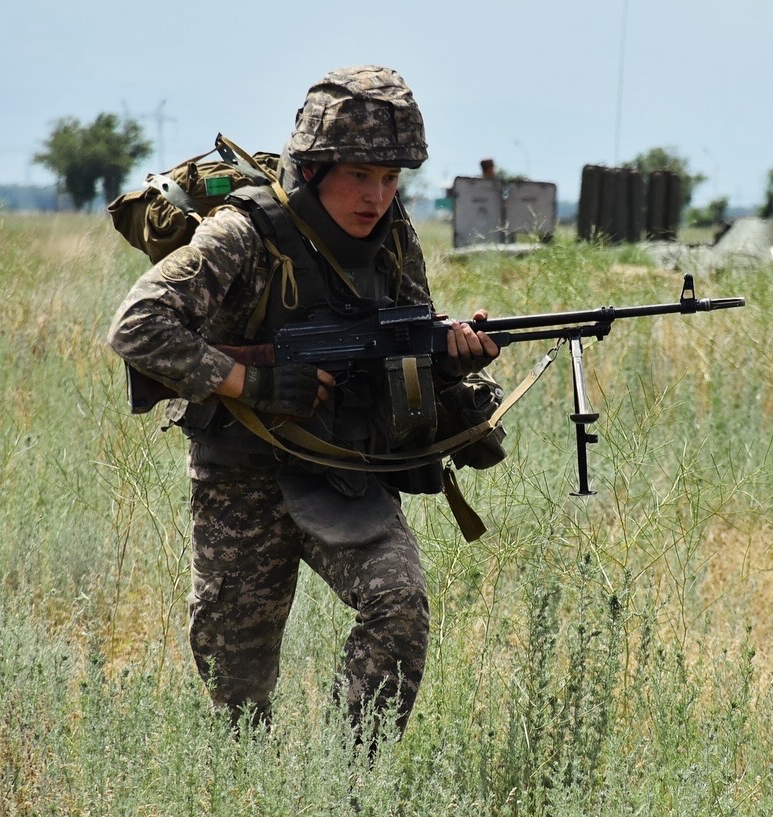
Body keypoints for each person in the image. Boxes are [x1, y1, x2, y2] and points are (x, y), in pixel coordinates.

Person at [108, 65, 501, 739]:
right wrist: (251, 383)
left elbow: (399, 353)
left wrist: (447, 362)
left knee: (399, 604)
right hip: (240, 481)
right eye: (360, 175)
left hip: (342, 475)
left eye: (390, 177)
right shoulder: (244, 232)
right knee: (237, 696)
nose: (376, 196)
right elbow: (137, 326)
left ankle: (345, 786)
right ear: (315, 168)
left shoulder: (396, 239)